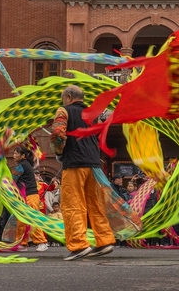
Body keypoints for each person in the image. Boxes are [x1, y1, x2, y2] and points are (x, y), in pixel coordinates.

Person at [50, 84, 116, 260]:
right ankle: (104, 240)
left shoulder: (63, 110)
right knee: (95, 204)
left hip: (74, 163)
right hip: (94, 164)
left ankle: (79, 245)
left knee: (72, 205)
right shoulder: (92, 114)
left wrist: (59, 152)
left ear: (69, 97)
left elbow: (57, 133)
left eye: (63, 98)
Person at [11, 146, 49, 252]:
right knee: (22, 221)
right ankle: (21, 243)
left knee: (32, 219)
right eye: (13, 153)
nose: (13, 155)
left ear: (23, 156)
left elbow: (12, 179)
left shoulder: (21, 166)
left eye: (16, 153)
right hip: (25, 196)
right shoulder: (23, 165)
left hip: (30, 196)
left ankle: (42, 242)